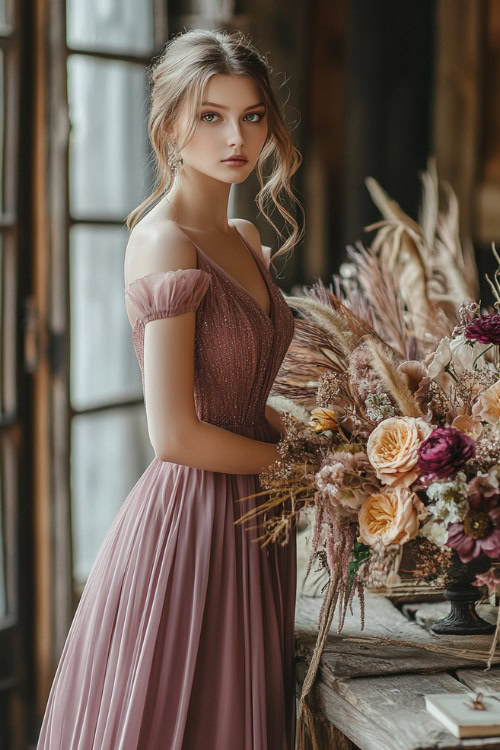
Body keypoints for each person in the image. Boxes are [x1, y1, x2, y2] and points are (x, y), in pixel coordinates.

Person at [37, 27, 304, 749]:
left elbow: (242, 396)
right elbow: (176, 435)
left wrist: (317, 439)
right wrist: (302, 470)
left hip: (258, 520)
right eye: (211, 115)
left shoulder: (246, 237)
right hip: (193, 525)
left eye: (251, 115)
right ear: (168, 127)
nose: (235, 136)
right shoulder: (164, 242)